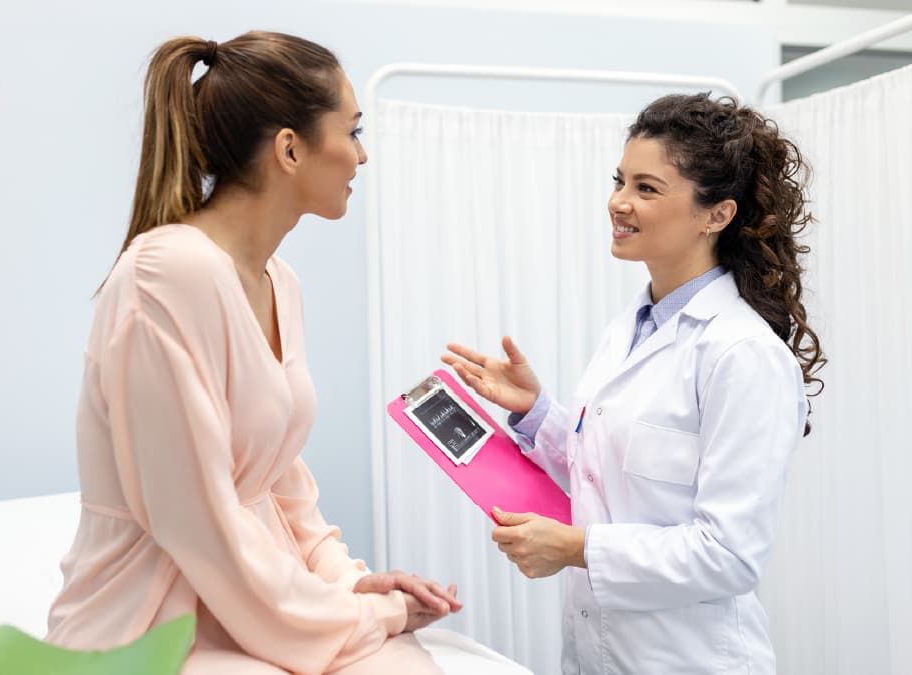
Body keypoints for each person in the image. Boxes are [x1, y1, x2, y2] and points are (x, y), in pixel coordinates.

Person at [45, 31, 460, 674]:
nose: (363, 155)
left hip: (259, 598)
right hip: (154, 618)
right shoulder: (166, 275)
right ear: (290, 150)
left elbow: (279, 483)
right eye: (351, 133)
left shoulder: (279, 283)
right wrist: (367, 617)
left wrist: (351, 584)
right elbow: (198, 526)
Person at [443, 93, 825, 674]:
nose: (618, 202)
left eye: (646, 189)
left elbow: (729, 555)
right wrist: (536, 412)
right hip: (600, 654)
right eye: (620, 181)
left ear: (716, 214)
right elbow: (607, 479)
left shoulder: (742, 354)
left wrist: (578, 550)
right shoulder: (632, 326)